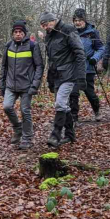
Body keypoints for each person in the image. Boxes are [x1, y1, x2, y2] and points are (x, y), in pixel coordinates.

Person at [39, 12, 86, 147]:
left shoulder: (68, 30)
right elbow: (52, 60)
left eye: (46, 24)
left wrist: (81, 77)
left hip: (69, 75)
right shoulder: (49, 36)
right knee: (63, 106)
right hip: (56, 76)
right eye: (43, 26)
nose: (45, 28)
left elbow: (80, 53)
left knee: (60, 104)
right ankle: (70, 135)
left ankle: (56, 134)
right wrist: (50, 80)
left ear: (53, 21)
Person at [0, 20, 44, 149]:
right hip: (10, 85)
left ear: (24, 33)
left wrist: (35, 85)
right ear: (12, 34)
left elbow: (39, 66)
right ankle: (18, 128)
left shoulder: (32, 46)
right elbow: (4, 66)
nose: (18, 34)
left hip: (26, 86)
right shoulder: (8, 46)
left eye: (20, 32)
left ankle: (27, 137)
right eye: (15, 32)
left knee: (25, 111)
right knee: (7, 107)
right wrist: (1, 84)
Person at [68, 9, 103, 122]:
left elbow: (101, 48)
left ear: (85, 20)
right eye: (75, 20)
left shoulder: (92, 33)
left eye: (80, 20)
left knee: (89, 93)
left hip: (88, 67)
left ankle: (97, 110)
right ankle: (74, 118)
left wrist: (95, 58)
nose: (77, 22)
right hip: (74, 68)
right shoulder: (70, 32)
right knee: (73, 93)